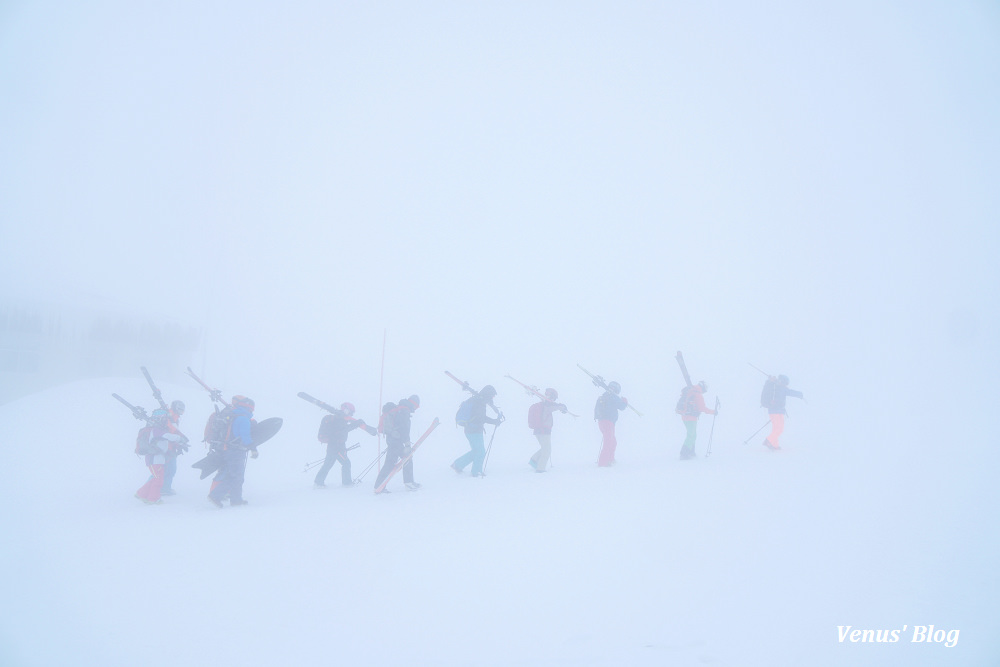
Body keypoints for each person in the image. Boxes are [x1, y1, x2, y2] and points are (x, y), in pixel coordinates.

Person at [208, 395, 257, 508]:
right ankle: (215, 495)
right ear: (249, 408)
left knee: (237, 476)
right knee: (234, 476)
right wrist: (253, 449)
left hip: (228, 449)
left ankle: (236, 499)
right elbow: (245, 437)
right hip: (236, 451)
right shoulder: (243, 419)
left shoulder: (234, 415)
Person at [314, 402, 377, 488]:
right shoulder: (338, 419)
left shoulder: (340, 418)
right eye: (350, 412)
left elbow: (343, 430)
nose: (350, 414)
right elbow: (343, 430)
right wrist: (356, 424)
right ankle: (346, 483)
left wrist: (356, 423)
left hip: (334, 445)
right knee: (345, 463)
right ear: (345, 409)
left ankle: (318, 482)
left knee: (328, 464)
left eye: (351, 413)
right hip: (337, 446)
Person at [451, 385, 503, 477]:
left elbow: (480, 418)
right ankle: (476, 471)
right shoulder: (479, 402)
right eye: (492, 396)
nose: (492, 398)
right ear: (488, 394)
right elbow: (481, 418)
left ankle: (458, 465)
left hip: (472, 429)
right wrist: (494, 421)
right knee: (480, 452)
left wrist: (494, 421)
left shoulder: (478, 400)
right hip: (473, 430)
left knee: (476, 451)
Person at [135, 409, 185, 505]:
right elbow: (167, 436)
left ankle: (141, 493)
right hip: (154, 460)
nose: (165, 421)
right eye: (164, 419)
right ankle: (153, 498)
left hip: (158, 459)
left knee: (156, 478)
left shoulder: (157, 429)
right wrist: (179, 438)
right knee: (158, 479)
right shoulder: (156, 430)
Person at [373, 395, 422, 492]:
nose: (415, 409)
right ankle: (408, 483)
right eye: (416, 407)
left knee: (394, 462)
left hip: (393, 439)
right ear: (414, 404)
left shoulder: (399, 409)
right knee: (405, 458)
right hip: (396, 440)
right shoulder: (404, 411)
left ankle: (379, 485)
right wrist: (407, 444)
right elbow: (404, 428)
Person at [528, 388, 567, 473]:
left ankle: (534, 460)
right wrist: (562, 407)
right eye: (554, 398)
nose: (554, 400)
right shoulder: (547, 405)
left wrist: (560, 406)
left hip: (538, 430)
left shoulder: (544, 404)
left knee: (545, 448)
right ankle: (540, 468)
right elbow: (553, 407)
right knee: (547, 450)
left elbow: (553, 406)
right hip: (544, 430)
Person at [760, 374, 804, 450]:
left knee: (775, 429)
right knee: (779, 429)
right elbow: (790, 392)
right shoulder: (781, 388)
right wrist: (800, 394)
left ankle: (774, 445)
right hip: (778, 412)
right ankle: (768, 440)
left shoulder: (775, 387)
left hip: (772, 411)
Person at [677, 381, 717, 460]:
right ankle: (684, 453)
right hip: (691, 417)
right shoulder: (698, 394)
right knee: (691, 435)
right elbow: (702, 408)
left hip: (685, 416)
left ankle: (691, 451)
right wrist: (713, 412)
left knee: (692, 434)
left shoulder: (691, 391)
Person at [594, 381, 628, 467]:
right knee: (609, 442)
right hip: (608, 422)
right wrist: (624, 401)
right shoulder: (612, 396)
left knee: (612, 442)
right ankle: (603, 463)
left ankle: (610, 459)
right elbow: (621, 406)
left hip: (602, 422)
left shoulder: (604, 395)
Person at [160, 399, 188, 496]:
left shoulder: (175, 418)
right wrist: (179, 440)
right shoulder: (168, 417)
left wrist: (180, 443)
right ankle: (149, 488)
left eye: (182, 411)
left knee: (171, 469)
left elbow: (175, 432)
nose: (181, 412)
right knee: (160, 469)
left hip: (171, 447)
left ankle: (165, 488)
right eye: (180, 410)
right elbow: (169, 433)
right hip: (164, 447)